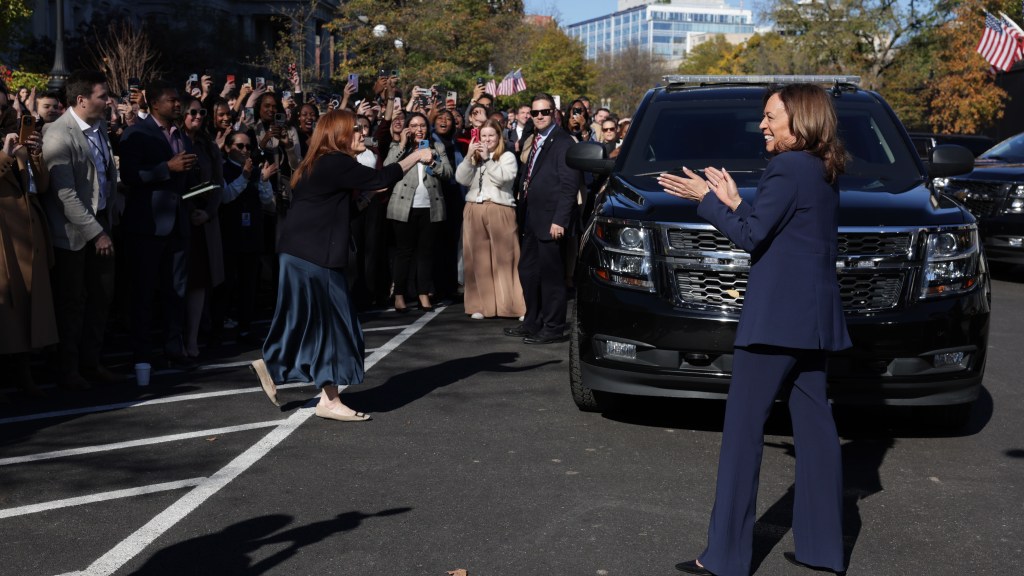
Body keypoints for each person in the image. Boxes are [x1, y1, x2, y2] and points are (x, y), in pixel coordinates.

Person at [657, 83, 851, 576]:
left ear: (799, 120)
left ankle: (724, 557)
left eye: (770, 116)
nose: (761, 125)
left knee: (742, 435)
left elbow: (751, 236)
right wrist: (734, 200)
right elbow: (778, 228)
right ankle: (822, 550)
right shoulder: (822, 169)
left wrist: (706, 199)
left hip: (775, 324)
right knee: (816, 432)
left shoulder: (787, 166)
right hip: (812, 322)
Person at [249, 109, 434, 421]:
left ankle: (283, 367)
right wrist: (417, 155)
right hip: (312, 257)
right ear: (339, 136)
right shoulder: (336, 161)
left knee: (316, 324)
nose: (363, 133)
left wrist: (364, 200)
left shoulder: (320, 163)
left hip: (303, 254)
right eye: (356, 129)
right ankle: (324, 396)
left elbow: (340, 210)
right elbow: (379, 177)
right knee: (337, 326)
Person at [40, 69, 125, 388]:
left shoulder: (99, 127)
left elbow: (103, 174)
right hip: (74, 234)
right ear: (81, 100)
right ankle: (68, 369)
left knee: (102, 297)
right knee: (72, 301)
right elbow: (64, 193)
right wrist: (97, 232)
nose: (108, 101)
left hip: (103, 222)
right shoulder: (57, 133)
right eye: (102, 96)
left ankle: (92, 362)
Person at [119, 78, 199, 368]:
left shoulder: (181, 134)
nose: (178, 104)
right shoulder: (136, 134)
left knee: (176, 290)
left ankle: (173, 346)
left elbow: (188, 175)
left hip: (178, 223)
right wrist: (167, 167)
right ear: (154, 103)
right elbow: (129, 176)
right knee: (143, 292)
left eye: (178, 100)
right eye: (171, 100)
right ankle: (142, 353)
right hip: (147, 226)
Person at [503, 93, 579, 345]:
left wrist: (560, 220)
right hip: (531, 218)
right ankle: (532, 321)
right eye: (534, 113)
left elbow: (569, 186)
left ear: (554, 113)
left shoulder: (563, 142)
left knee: (551, 277)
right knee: (528, 272)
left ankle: (554, 326)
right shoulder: (535, 140)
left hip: (550, 221)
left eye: (544, 112)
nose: (538, 117)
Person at [0, 85, 56, 398]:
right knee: (6, 305)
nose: (1, 111)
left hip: (27, 230)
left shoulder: (14, 136)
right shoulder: (7, 145)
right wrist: (6, 155)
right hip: (3, 235)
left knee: (25, 306)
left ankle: (24, 372)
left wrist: (35, 154)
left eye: (3, 105)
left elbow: (41, 185)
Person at [456, 118, 525, 320]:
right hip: (474, 209)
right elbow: (462, 179)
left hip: (500, 208)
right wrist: (469, 156)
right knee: (478, 260)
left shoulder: (507, 156)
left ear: (499, 137)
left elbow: (504, 177)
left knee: (506, 258)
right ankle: (480, 306)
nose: (486, 140)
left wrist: (488, 159)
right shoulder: (474, 157)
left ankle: (513, 306)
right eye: (483, 135)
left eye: (491, 136)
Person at [384, 111, 453, 312]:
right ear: (407, 128)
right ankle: (399, 295)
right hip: (404, 207)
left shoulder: (437, 147)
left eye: (422, 125)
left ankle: (423, 294)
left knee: (426, 253)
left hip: (430, 207)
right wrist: (403, 145)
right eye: (413, 126)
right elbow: (387, 169)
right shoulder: (398, 147)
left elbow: (448, 173)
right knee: (403, 253)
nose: (419, 129)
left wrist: (432, 161)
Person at [180, 95, 225, 358]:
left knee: (199, 283)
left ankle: (192, 339)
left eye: (201, 113)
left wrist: (207, 213)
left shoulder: (209, 147)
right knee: (178, 282)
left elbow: (218, 185)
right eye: (192, 112)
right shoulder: (174, 141)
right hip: (179, 219)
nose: (198, 117)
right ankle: (177, 339)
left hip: (203, 222)